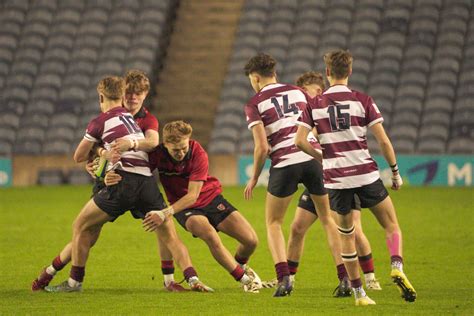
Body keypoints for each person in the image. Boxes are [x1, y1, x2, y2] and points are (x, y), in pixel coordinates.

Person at [37, 76, 212, 293]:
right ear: (122, 98)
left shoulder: (100, 121)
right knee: (169, 234)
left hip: (121, 183)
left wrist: (101, 156)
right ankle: (192, 278)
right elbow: (132, 149)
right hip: (146, 182)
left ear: (101, 97)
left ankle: (74, 282)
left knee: (81, 227)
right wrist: (102, 157)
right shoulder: (131, 120)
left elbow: (78, 155)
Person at [295, 49, 417, 305]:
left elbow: (300, 141)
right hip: (365, 173)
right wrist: (395, 173)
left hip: (337, 179)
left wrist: (324, 158)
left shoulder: (313, 105)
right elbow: (383, 140)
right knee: (391, 225)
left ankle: (359, 293)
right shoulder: (363, 100)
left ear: (327, 72)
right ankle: (396, 265)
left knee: (346, 235)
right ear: (350, 71)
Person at [105, 121, 262, 293]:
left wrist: (165, 213)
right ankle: (245, 280)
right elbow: (133, 170)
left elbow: (193, 195)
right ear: (165, 145)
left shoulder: (198, 152)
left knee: (251, 240)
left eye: (183, 148)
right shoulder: (156, 154)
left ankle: (240, 264)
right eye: (175, 150)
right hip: (185, 208)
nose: (180, 153)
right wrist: (106, 174)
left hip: (210, 198)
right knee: (209, 235)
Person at [242, 53, 341, 297]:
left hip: (285, 163)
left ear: (255, 78)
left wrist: (254, 177)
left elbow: (262, 147)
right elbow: (317, 126)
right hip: (311, 157)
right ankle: (345, 278)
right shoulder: (298, 92)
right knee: (328, 219)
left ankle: (284, 279)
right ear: (274, 73)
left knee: (274, 223)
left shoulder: (254, 103)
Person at [287, 71, 381, 296]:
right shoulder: (310, 114)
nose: (304, 96)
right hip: (319, 182)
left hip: (341, 180)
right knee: (297, 227)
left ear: (318, 90)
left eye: (306, 91)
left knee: (353, 230)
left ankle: (369, 277)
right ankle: (288, 279)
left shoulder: (324, 114)